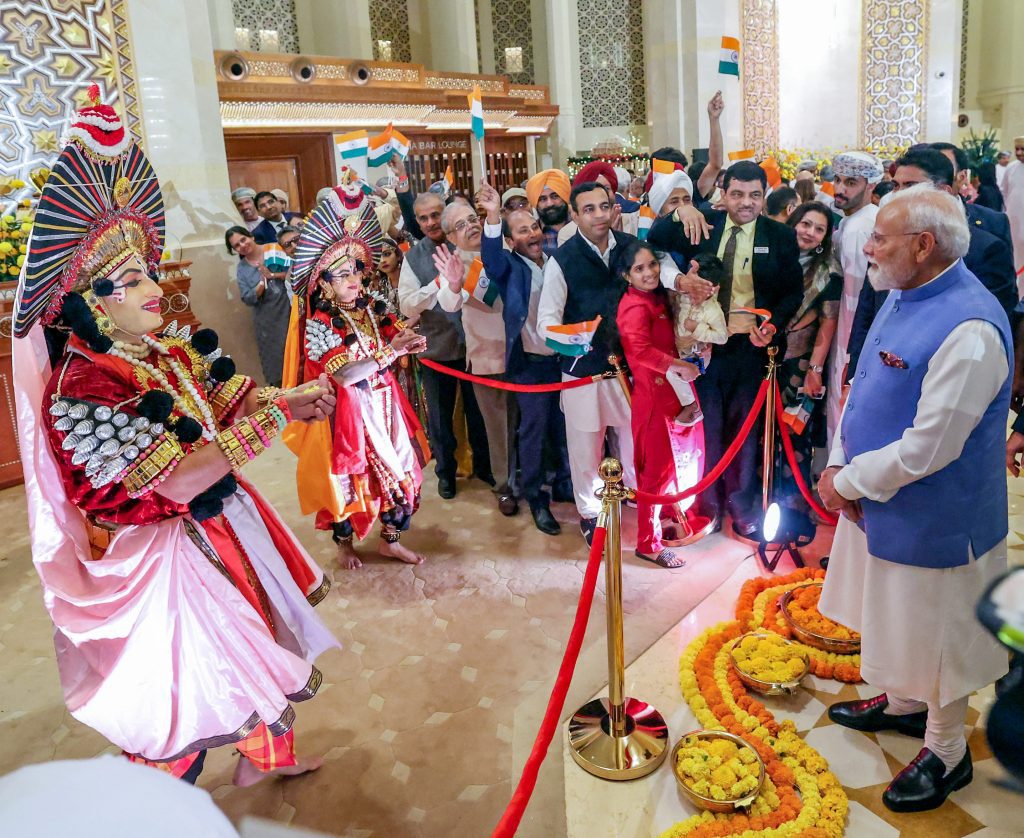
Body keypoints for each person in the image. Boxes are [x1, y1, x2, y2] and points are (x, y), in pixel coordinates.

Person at [13, 89, 337, 785]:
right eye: (133, 281)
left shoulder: (157, 350)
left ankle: (262, 763)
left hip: (221, 525)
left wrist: (289, 398)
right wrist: (275, 420)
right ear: (91, 301)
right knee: (191, 689)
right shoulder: (84, 383)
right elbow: (176, 480)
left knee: (256, 641)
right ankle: (163, 804)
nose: (154, 289)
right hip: (167, 554)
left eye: (149, 274)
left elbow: (224, 399)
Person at [819, 184, 1011, 813]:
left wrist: (846, 481)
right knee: (896, 618)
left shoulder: (971, 329)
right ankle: (903, 704)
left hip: (939, 517)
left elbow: (931, 447)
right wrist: (841, 460)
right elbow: (865, 382)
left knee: (937, 638)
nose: (868, 247)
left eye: (880, 237)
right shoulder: (902, 290)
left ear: (924, 246)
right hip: (879, 496)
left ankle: (947, 751)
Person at [648, 160, 803, 536]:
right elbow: (656, 238)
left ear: (764, 196)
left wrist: (773, 325)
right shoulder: (705, 224)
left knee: (744, 431)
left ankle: (741, 505)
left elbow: (792, 292)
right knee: (709, 427)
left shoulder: (779, 236)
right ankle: (708, 505)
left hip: (751, 347)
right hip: (705, 347)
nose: (746, 202)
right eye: (737, 194)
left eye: (754, 195)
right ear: (724, 193)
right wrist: (681, 211)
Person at [538, 182, 686, 543]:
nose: (599, 215)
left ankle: (640, 499)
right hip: (584, 373)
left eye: (604, 206)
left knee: (636, 442)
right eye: (589, 209)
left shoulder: (628, 247)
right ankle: (591, 514)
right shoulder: (562, 260)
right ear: (575, 215)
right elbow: (546, 323)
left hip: (633, 369)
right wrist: (576, 339)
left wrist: (682, 281)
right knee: (586, 448)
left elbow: (659, 268)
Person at [287, 202, 429, 569]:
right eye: (341, 274)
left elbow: (394, 334)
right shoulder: (321, 323)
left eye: (355, 270)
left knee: (403, 471)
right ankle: (345, 544)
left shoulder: (371, 306)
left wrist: (408, 341)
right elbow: (345, 375)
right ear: (324, 283)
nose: (353, 279)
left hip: (386, 404)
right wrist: (390, 353)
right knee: (350, 483)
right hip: (348, 417)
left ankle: (390, 540)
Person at [846, 149, 1019, 380]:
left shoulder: (984, 248)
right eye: (896, 186)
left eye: (911, 186)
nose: (898, 195)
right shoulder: (890, 234)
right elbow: (870, 306)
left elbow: (988, 330)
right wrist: (854, 372)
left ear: (943, 192)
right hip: (877, 369)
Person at [477, 182, 571, 535]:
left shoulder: (557, 260)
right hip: (530, 364)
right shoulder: (509, 267)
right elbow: (491, 260)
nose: (532, 234)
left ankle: (564, 483)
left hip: (564, 361)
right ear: (510, 240)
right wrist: (491, 215)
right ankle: (535, 497)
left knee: (564, 427)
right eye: (522, 231)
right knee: (533, 431)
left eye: (533, 227)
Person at [615, 242, 706, 567]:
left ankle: (668, 517)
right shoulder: (634, 306)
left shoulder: (654, 297)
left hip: (674, 391)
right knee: (655, 473)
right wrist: (680, 367)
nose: (649, 272)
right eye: (639, 268)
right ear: (626, 275)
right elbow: (639, 352)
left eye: (652, 264)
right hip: (656, 400)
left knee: (675, 464)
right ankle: (648, 543)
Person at [397, 191, 492, 498]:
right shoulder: (413, 257)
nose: (430, 223)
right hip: (437, 350)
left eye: (435, 215)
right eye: (423, 218)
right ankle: (446, 474)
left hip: (477, 347)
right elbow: (407, 305)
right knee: (440, 420)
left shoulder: (469, 244)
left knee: (480, 414)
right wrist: (438, 284)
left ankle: (487, 468)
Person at [433, 201, 517, 516]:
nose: (470, 226)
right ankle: (504, 487)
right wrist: (455, 283)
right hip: (488, 360)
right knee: (499, 429)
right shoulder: (454, 265)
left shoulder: (502, 247)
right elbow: (449, 302)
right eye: (460, 225)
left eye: (472, 218)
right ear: (450, 237)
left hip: (525, 354)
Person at [775, 202, 839, 507]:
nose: (810, 232)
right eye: (806, 224)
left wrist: (815, 369)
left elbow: (828, 322)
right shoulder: (774, 256)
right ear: (794, 223)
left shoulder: (828, 273)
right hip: (764, 360)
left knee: (794, 434)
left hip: (799, 365)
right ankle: (764, 499)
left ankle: (794, 506)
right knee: (761, 433)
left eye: (819, 229)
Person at [825, 151, 882, 446]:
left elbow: (859, 297)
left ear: (871, 185)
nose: (840, 189)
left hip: (852, 331)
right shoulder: (854, 221)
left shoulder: (861, 228)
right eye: (837, 180)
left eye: (850, 182)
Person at [668, 252, 728, 425]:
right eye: (692, 286)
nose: (694, 292)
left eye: (701, 289)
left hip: (696, 355)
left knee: (670, 371)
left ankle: (691, 406)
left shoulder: (712, 310)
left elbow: (722, 337)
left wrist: (698, 329)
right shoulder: (681, 296)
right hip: (676, 347)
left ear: (714, 288)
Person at [226, 225, 290, 386]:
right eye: (237, 245)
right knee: (277, 365)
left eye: (243, 239)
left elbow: (295, 272)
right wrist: (261, 284)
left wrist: (272, 275)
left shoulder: (274, 249)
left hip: (289, 309)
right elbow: (247, 297)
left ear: (251, 236)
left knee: (297, 354)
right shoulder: (242, 268)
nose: (242, 245)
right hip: (267, 322)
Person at [930, 142, 1012, 247]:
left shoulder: (993, 222)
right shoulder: (910, 220)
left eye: (941, 170)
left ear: (962, 177)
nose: (930, 177)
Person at [526, 168, 572, 257]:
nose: (550, 203)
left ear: (564, 197)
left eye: (555, 196)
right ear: (536, 203)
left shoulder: (581, 227)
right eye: (542, 199)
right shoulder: (530, 236)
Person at [1001, 136, 1024, 277]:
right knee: (1014, 254)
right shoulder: (1011, 168)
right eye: (1017, 149)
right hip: (1013, 220)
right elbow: (1004, 191)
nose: (1019, 152)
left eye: (1023, 149)